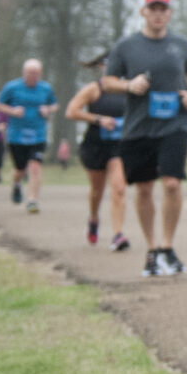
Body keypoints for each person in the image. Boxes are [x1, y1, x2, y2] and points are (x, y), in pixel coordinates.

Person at [102, 0, 187, 278]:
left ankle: (168, 247)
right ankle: (152, 248)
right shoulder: (126, 46)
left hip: (175, 124)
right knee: (144, 188)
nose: (158, 14)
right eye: (153, 9)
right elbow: (108, 81)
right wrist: (128, 86)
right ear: (143, 12)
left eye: (163, 9)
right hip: (139, 127)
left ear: (169, 14)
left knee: (172, 183)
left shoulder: (180, 44)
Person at [65, 56, 132, 250]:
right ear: (101, 66)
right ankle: (93, 218)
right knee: (97, 190)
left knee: (119, 188)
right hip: (95, 145)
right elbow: (71, 111)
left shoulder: (127, 89)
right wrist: (98, 119)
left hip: (119, 146)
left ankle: (118, 234)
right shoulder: (94, 89)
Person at [0, 59, 57, 214]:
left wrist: (48, 110)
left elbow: (54, 104)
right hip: (16, 135)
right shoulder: (12, 87)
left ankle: (33, 200)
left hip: (38, 134)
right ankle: (16, 184)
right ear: (24, 72)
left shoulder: (45, 88)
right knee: (20, 169)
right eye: (30, 73)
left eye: (36, 73)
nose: (32, 76)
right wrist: (12, 111)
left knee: (35, 166)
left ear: (40, 74)